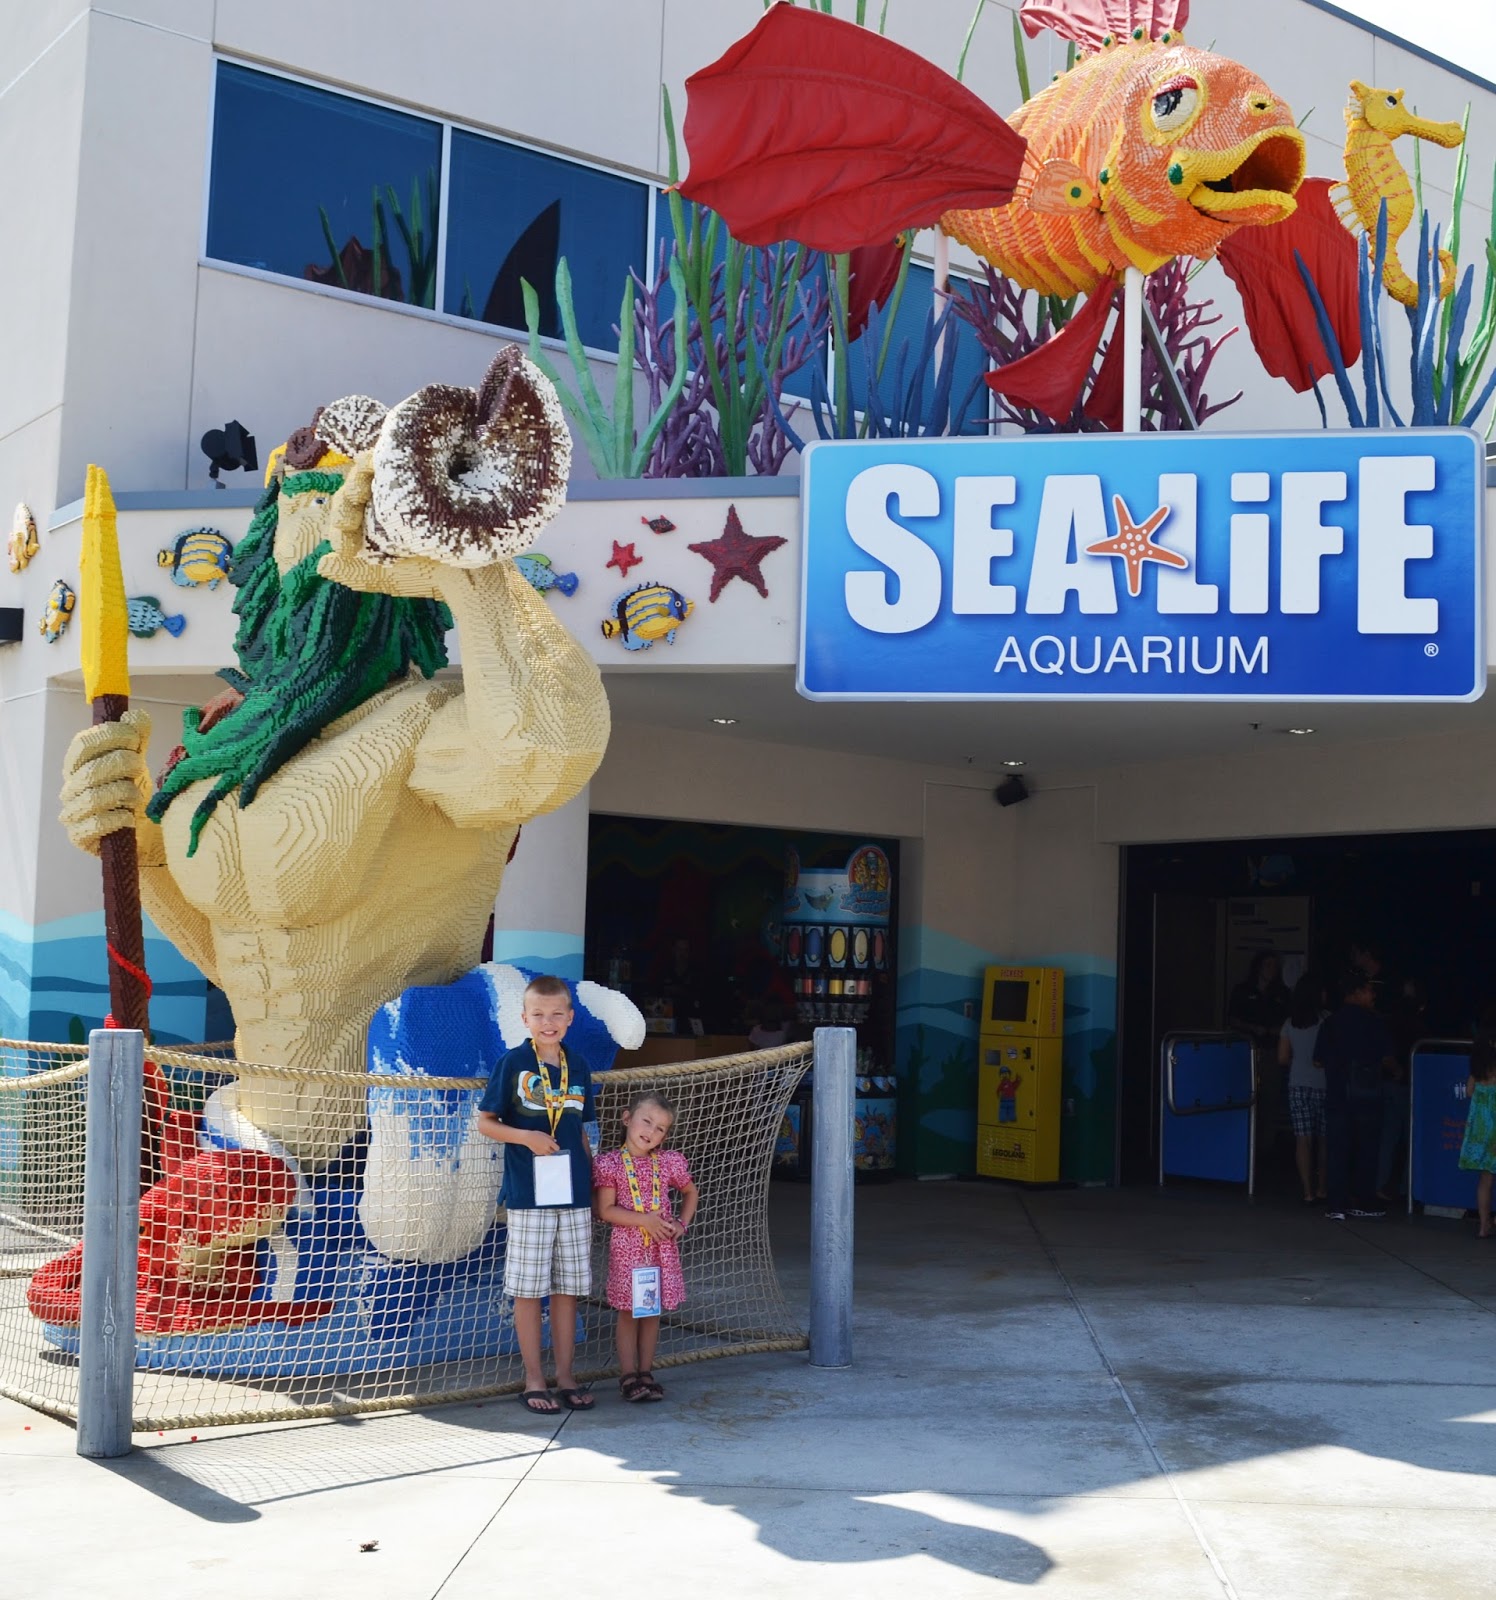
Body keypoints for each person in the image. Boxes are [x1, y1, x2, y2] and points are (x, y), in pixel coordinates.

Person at [477, 974, 599, 1415]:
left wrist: (595, 1182)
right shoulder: (512, 1063)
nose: (548, 1022)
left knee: (568, 1289)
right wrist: (526, 1138)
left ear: (569, 1018)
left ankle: (566, 1376)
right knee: (529, 1290)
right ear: (525, 1018)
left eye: (557, 1014)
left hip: (574, 1195)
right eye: (539, 1015)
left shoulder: (579, 1065)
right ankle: (534, 1378)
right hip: (530, 1195)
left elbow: (583, 1131)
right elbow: (485, 1121)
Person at [593, 1090, 698, 1403]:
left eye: (660, 1128)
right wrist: (644, 1221)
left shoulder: (668, 1163)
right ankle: (628, 1375)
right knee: (628, 1313)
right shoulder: (610, 1163)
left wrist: (682, 1223)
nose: (650, 1132)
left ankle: (646, 1372)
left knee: (651, 1313)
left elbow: (691, 1192)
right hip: (628, 1251)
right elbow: (606, 1210)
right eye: (646, 1121)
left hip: (660, 1252)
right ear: (627, 1118)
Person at [1314, 967, 1396, 1221]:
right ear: (1358, 992)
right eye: (1370, 990)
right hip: (1368, 1095)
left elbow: (1317, 1061)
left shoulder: (1330, 1022)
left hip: (1338, 1094)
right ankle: (1364, 1201)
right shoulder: (1375, 1022)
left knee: (1338, 1150)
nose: (1373, 995)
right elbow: (1388, 1059)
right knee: (1367, 1151)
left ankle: (1336, 1204)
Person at [1228, 951, 1291, 1150]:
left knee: (1270, 1100)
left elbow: (1291, 1022)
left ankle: (1266, 1148)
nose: (1271, 970)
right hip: (1246, 1051)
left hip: (1272, 1051)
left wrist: (1276, 1030)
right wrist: (1252, 1028)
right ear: (1258, 966)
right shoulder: (1242, 991)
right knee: (1245, 1097)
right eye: (1267, 965)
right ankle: (1244, 1146)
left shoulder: (1282, 993)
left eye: (1274, 966)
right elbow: (1232, 1019)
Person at [1279, 973, 1328, 1204]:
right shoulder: (1327, 1020)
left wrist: (1297, 1064)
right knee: (1324, 1140)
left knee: (1302, 1139)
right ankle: (1322, 1187)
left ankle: (1307, 1191)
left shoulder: (1289, 1023)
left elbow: (1281, 1058)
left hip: (1297, 1084)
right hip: (1324, 1084)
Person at [1458, 1029, 1496, 1239]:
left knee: (1485, 1179)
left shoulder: (1478, 1069)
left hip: (1482, 1128)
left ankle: (1483, 1226)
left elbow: (1469, 1091)